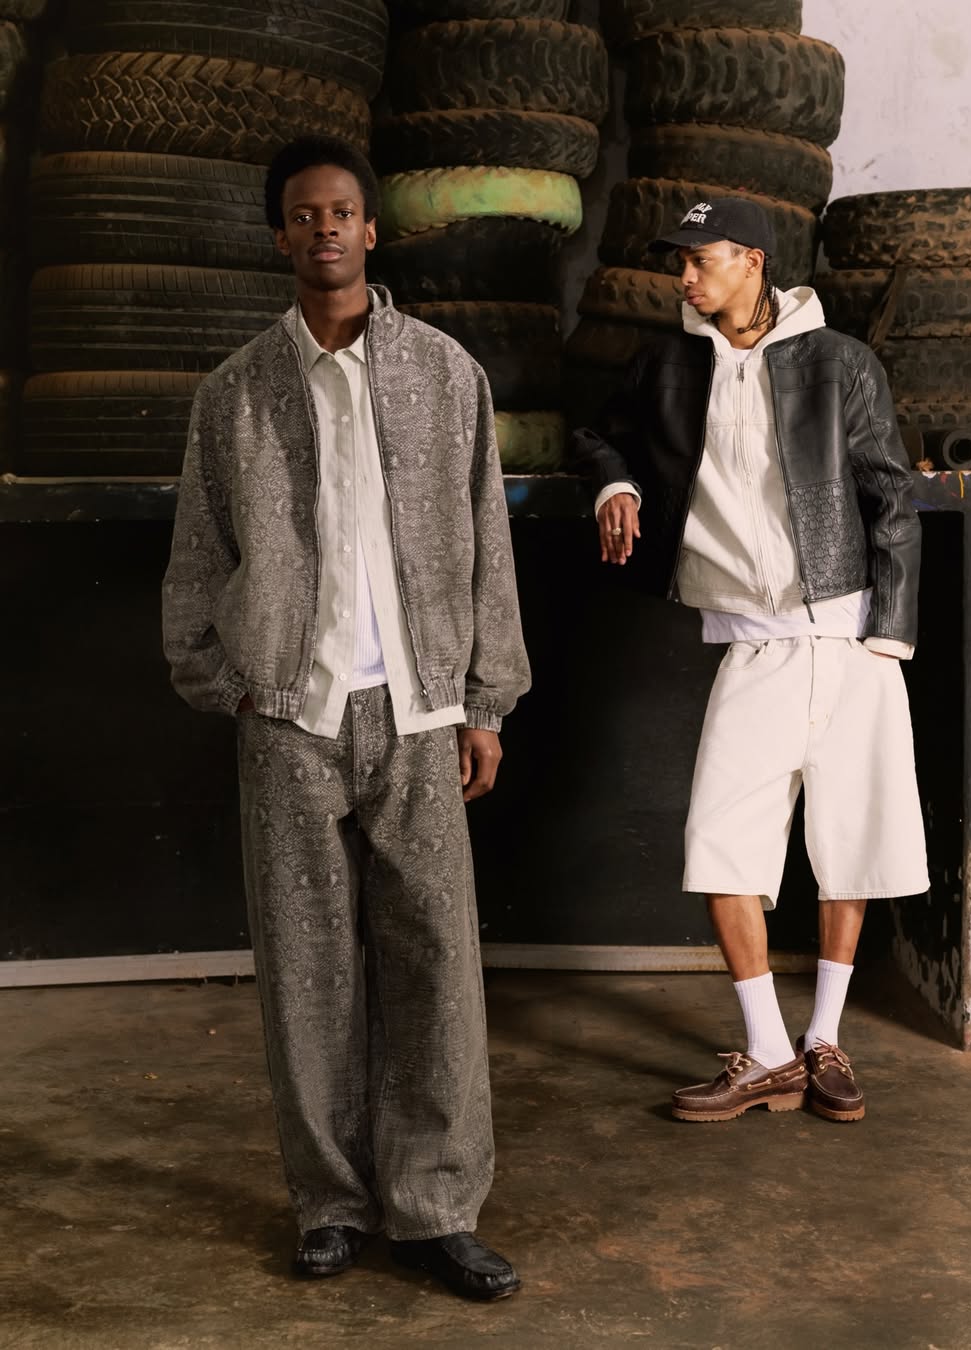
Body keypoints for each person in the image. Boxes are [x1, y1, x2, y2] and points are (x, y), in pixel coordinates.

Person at [162, 135, 530, 1299]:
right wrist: (222, 678)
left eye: (341, 212)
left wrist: (485, 702)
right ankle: (329, 1203)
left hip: (420, 716)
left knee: (437, 965)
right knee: (306, 970)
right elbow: (198, 554)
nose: (324, 227)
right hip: (290, 717)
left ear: (371, 230)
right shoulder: (236, 394)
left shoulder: (445, 375)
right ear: (281, 237)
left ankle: (436, 1209)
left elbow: (487, 543)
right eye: (303, 214)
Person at [574, 197, 928, 1125]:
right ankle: (769, 1051)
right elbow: (596, 431)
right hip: (754, 641)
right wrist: (614, 483)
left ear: (755, 263)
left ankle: (825, 1040)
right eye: (680, 262)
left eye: (703, 258)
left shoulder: (840, 360)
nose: (686, 276)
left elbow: (890, 496)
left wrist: (888, 633)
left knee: (852, 843)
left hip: (849, 632)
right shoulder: (667, 364)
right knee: (722, 844)